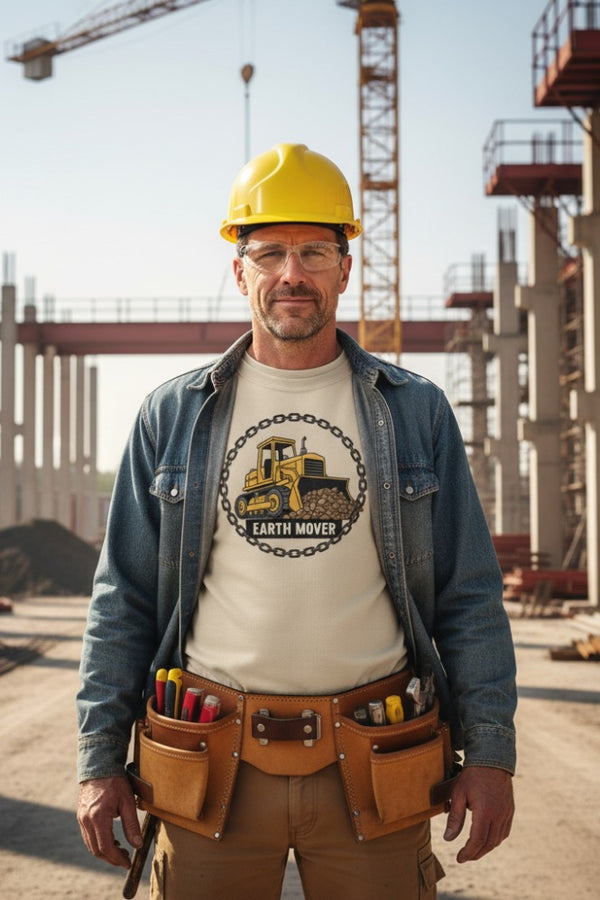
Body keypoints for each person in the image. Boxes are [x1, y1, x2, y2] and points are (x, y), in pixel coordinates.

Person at [77, 143, 516, 899]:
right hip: (211, 763)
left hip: (376, 758)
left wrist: (491, 753)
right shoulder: (172, 415)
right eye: (269, 251)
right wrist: (96, 761)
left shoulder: (415, 413)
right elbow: (125, 599)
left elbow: (467, 593)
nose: (291, 273)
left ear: (346, 268)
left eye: (315, 251)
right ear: (239, 268)